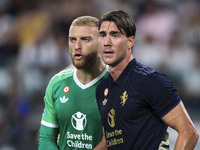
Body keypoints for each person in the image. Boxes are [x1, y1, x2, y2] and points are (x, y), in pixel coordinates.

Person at [96, 10, 199, 150]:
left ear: (130, 42)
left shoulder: (150, 81)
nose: (107, 42)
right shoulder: (102, 89)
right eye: (102, 35)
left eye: (115, 35)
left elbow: (189, 133)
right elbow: (108, 141)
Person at [38, 16, 109, 150]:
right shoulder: (57, 83)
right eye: (72, 40)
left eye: (85, 39)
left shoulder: (117, 84)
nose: (77, 46)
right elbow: (47, 138)